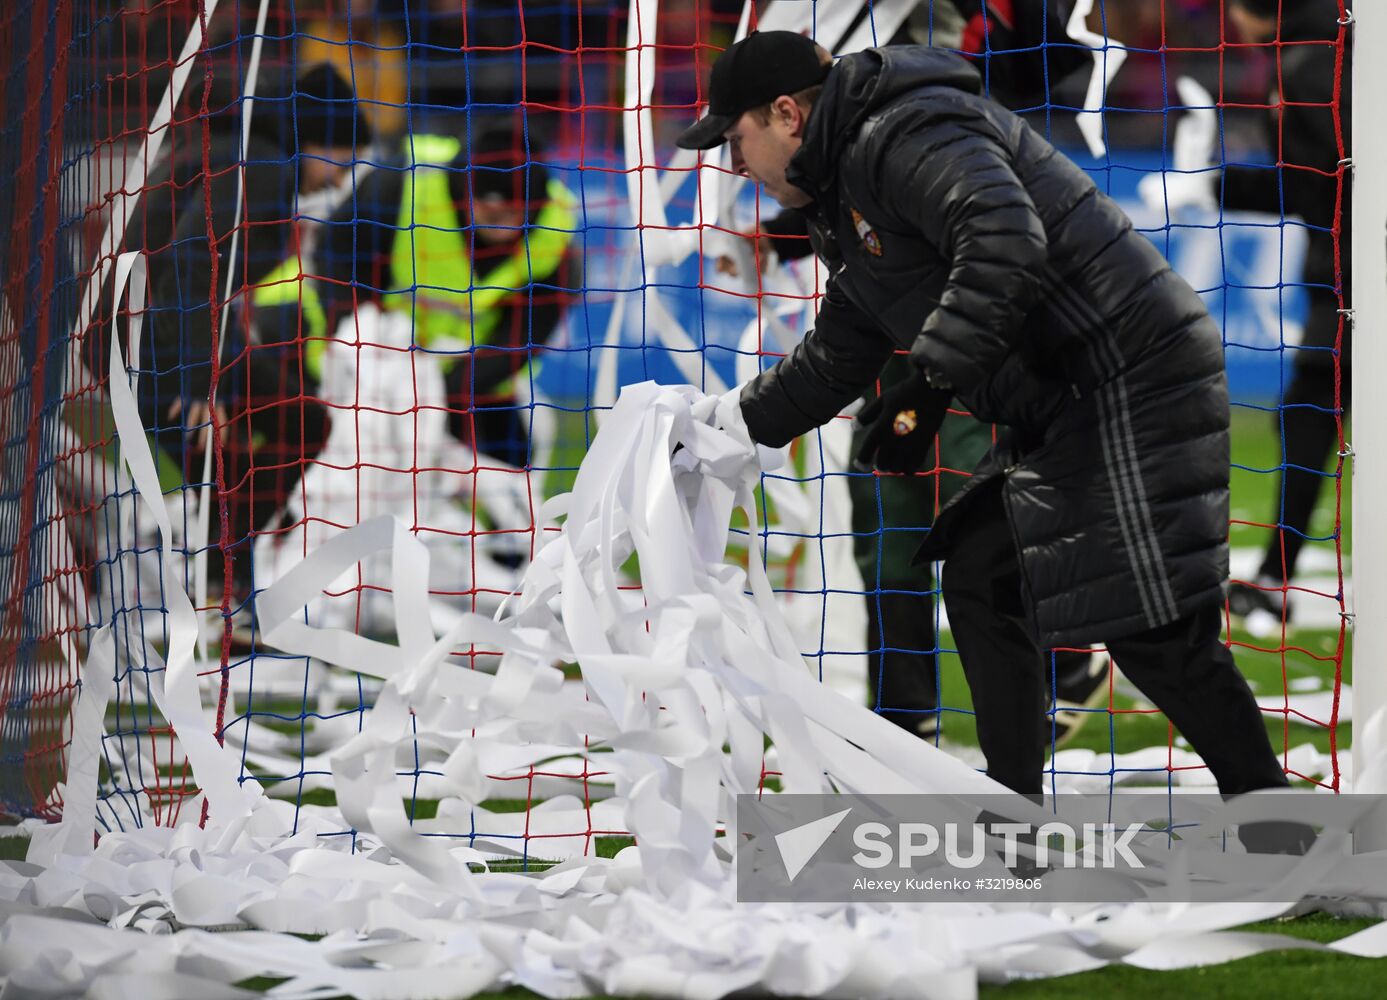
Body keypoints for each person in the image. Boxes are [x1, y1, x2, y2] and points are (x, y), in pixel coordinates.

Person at [678, 30, 1288, 797]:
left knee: (1153, 628)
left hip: (1128, 373)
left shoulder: (906, 129)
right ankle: (1014, 814)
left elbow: (1003, 239)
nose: (735, 165)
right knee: (981, 573)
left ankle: (1280, 823)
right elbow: (838, 352)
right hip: (1066, 391)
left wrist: (930, 385)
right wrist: (714, 432)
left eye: (736, 141)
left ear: (786, 114)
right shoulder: (847, 186)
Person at [719, 3, 1106, 746]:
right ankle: (905, 720)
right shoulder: (840, 58)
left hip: (969, 334)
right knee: (886, 527)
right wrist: (784, 236)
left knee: (979, 515)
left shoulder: (931, 64)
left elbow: (939, 187)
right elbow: (863, 195)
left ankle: (1068, 658)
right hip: (890, 322)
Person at [126, 62, 370, 599]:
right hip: (152, 347)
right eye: (340, 156)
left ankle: (225, 589)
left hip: (155, 340)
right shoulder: (260, 166)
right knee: (292, 434)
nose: (340, 176)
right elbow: (188, 268)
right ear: (316, 140)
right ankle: (223, 589)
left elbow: (208, 280)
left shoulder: (245, 152)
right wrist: (202, 382)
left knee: (261, 456)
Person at [314, 125, 579, 471]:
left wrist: (450, 389)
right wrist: (364, 346)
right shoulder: (404, 182)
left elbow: (528, 333)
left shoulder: (556, 225)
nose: (500, 226)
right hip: (379, 360)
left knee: (511, 461)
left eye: (513, 215)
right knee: (357, 458)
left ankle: (495, 522)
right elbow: (336, 263)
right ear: (466, 194)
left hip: (472, 370)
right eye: (490, 212)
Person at [1220, 0, 1351, 629]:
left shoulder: (1304, 68)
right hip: (1348, 275)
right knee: (1308, 411)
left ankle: (1275, 574)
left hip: (1352, 280)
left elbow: (1317, 183)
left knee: (1307, 413)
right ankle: (1275, 573)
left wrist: (1222, 185)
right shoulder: (1340, 51)